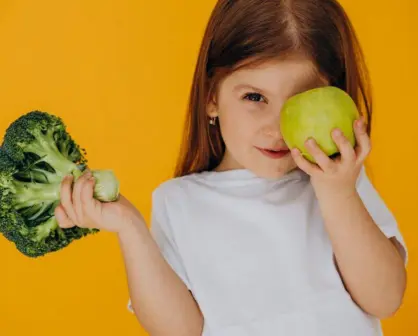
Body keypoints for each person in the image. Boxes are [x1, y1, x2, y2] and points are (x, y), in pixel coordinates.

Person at [54, 0, 408, 335]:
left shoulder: (339, 179)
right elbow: (179, 330)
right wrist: (130, 228)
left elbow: (386, 298)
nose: (278, 127)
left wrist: (338, 192)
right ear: (211, 98)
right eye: (255, 97)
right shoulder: (180, 202)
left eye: (300, 100)